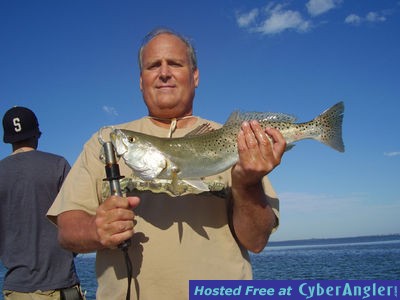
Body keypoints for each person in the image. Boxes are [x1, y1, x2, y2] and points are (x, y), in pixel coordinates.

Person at [47, 28, 286, 300]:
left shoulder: (239, 142)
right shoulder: (105, 142)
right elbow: (66, 230)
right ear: (141, 80)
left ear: (195, 76)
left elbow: (256, 242)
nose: (163, 72)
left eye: (175, 63)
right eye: (153, 66)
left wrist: (247, 184)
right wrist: (95, 230)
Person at [0, 106, 84, 300]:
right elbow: (77, 218)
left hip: (17, 288)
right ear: (37, 133)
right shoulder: (58, 164)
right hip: (63, 285)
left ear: (7, 138)